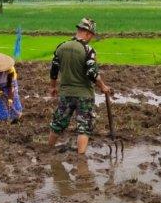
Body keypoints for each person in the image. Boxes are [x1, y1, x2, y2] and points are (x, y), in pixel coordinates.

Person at [47, 18, 112, 155]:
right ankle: (81, 157)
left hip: (66, 93)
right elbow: (91, 73)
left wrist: (53, 87)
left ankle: (48, 149)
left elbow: (54, 70)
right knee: (84, 126)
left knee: (58, 122)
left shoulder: (61, 46)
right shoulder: (88, 50)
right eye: (91, 35)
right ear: (88, 33)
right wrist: (103, 86)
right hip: (84, 95)